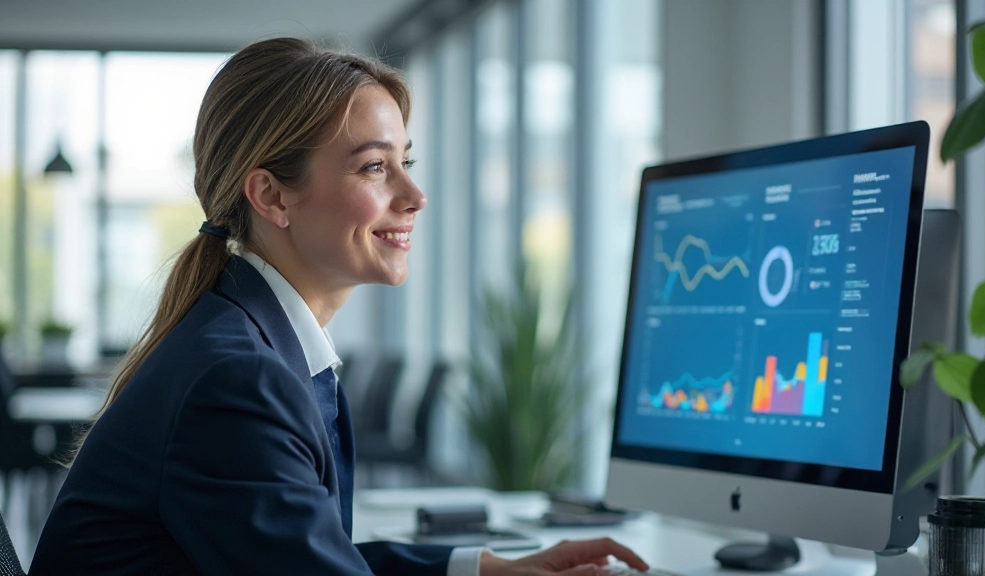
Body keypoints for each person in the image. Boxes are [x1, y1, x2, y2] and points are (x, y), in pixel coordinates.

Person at [29, 38, 650, 576]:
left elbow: (310, 551)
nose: (415, 194)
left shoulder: (255, 343)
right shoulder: (237, 378)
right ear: (272, 196)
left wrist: (488, 568)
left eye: (406, 161)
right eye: (375, 166)